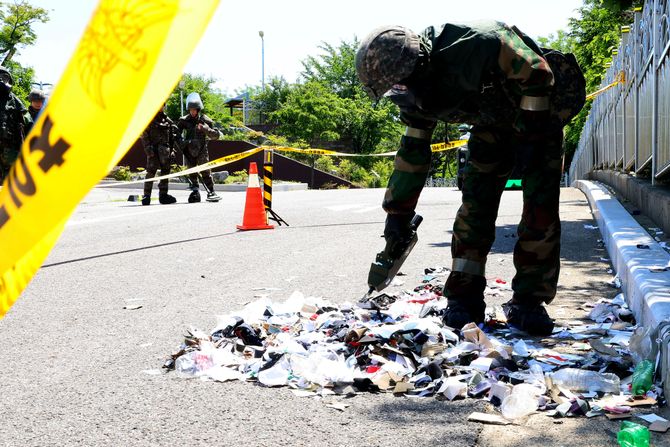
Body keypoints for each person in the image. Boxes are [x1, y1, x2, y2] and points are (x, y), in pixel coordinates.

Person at [356, 21, 584, 335]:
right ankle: (464, 298)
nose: (399, 96)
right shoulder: (413, 94)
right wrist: (398, 214)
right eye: (393, 90)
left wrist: (531, 138)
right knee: (476, 204)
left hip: (538, 112)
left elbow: (538, 73)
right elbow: (413, 153)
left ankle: (529, 301)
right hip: (491, 124)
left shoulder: (480, 44)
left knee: (539, 207)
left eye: (400, 86)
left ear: (419, 67)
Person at [177, 92, 221, 203]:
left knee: (205, 171)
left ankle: (211, 191)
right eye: (190, 110)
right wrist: (182, 144)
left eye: (194, 110)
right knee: (192, 172)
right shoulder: (184, 120)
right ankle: (195, 192)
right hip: (189, 150)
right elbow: (176, 134)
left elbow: (216, 136)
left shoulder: (205, 120)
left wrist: (206, 129)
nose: (192, 112)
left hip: (202, 150)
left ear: (198, 109)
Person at [140, 104, 178, 205]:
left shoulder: (168, 121)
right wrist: (148, 149)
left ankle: (163, 196)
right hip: (154, 152)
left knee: (165, 173)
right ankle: (147, 196)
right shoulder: (149, 119)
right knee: (150, 173)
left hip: (165, 152)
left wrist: (172, 151)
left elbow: (172, 138)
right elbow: (144, 135)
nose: (160, 107)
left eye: (162, 105)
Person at [0, 66, 33, 182]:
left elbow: (28, 123)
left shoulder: (14, 100)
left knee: (10, 183)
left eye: (3, 76)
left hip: (10, 150)